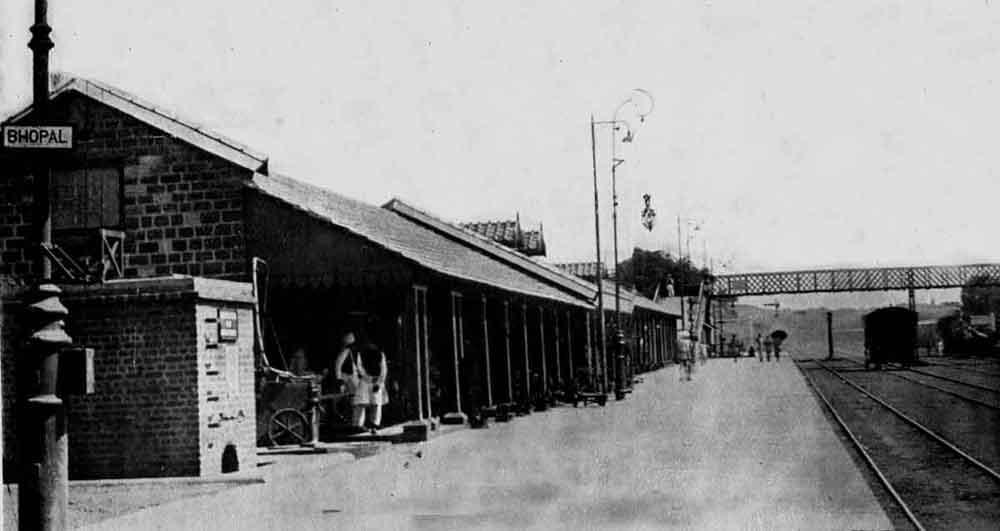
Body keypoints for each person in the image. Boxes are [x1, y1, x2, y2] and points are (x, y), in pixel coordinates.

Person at [334, 335, 389, 433]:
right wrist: (366, 378)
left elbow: (383, 370)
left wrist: (378, 383)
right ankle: (357, 424)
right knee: (360, 403)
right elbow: (358, 367)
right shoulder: (357, 353)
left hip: (374, 381)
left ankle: (375, 424)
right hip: (362, 380)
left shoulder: (379, 354)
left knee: (376, 403)